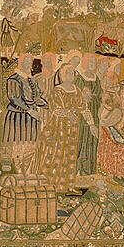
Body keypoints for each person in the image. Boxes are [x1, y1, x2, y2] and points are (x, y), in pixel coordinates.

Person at [28, 61, 83, 190]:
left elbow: (83, 107)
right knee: (56, 155)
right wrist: (69, 114)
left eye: (72, 72)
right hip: (58, 127)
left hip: (73, 129)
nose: (71, 75)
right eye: (68, 72)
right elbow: (56, 109)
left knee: (70, 155)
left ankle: (68, 185)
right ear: (62, 75)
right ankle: (50, 185)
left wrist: (91, 124)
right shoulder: (57, 90)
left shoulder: (77, 90)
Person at [2, 54, 48, 143]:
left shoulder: (31, 79)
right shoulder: (14, 79)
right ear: (21, 64)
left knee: (32, 140)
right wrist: (29, 111)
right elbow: (15, 99)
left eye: (30, 62)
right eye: (26, 62)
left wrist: (46, 105)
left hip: (32, 115)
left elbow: (36, 97)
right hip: (18, 115)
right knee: (19, 140)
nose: (29, 64)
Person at [97, 83, 124, 178]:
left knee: (122, 154)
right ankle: (109, 173)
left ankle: (120, 174)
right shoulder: (111, 100)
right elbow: (103, 119)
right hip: (113, 130)